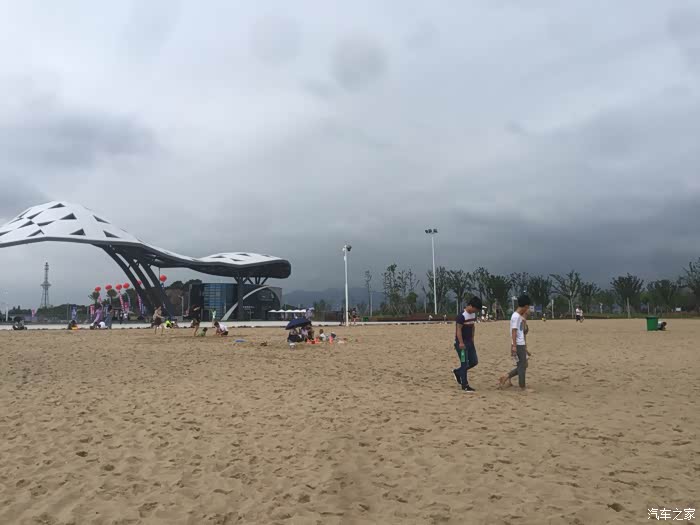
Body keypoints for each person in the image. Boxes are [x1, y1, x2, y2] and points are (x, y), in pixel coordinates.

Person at [500, 295, 533, 390]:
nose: (528, 309)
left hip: (521, 343)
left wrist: (525, 347)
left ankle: (506, 376)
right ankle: (522, 387)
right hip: (518, 344)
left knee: (523, 365)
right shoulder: (515, 317)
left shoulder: (519, 317)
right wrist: (514, 346)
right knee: (522, 366)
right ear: (525, 306)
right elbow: (514, 331)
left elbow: (521, 332)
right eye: (528, 307)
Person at [452, 296, 483, 392]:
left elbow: (473, 326)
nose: (476, 311)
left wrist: (473, 338)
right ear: (471, 306)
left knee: (474, 361)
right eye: (475, 309)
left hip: (470, 342)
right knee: (464, 362)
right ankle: (465, 385)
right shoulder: (462, 316)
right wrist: (461, 343)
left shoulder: (473, 315)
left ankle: (458, 372)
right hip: (461, 343)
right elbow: (458, 330)